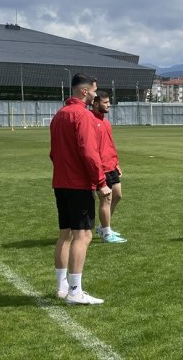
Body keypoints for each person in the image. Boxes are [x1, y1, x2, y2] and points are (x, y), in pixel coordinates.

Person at [50, 73, 111, 305]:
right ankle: (75, 291)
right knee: (83, 235)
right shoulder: (82, 116)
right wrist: (101, 183)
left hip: (61, 183)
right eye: (94, 91)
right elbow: (89, 153)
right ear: (85, 91)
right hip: (77, 184)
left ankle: (62, 286)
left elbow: (53, 153)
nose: (96, 94)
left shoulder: (59, 115)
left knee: (64, 234)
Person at [91, 90, 127, 243]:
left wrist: (116, 162)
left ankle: (103, 227)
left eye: (108, 102)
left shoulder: (105, 121)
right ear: (96, 103)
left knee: (117, 195)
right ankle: (106, 233)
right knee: (106, 199)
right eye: (105, 103)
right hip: (100, 167)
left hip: (111, 165)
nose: (109, 105)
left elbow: (110, 144)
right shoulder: (90, 120)